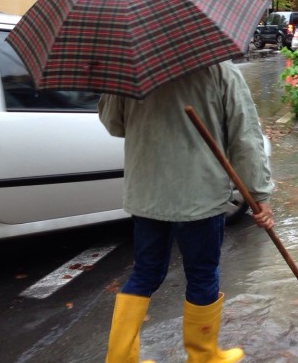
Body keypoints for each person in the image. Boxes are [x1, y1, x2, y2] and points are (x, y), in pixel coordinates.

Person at [98, 61, 274, 363]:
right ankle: (204, 357)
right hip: (200, 195)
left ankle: (120, 358)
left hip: (148, 192)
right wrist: (259, 194)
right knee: (202, 273)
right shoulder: (220, 70)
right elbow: (245, 137)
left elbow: (114, 124)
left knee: (145, 272)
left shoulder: (131, 67)